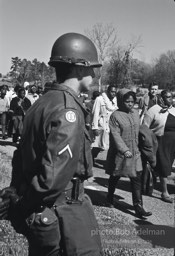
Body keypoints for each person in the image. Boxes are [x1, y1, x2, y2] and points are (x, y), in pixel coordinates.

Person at [0, 33, 102, 256]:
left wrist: (18, 192)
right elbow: (53, 177)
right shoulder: (68, 110)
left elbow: (21, 155)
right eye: (91, 68)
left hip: (45, 207)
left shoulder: (44, 102)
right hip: (64, 209)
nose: (94, 74)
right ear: (78, 68)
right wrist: (23, 203)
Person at [105, 88, 152, 218]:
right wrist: (124, 150)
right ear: (120, 101)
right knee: (115, 176)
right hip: (120, 153)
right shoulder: (115, 116)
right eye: (127, 101)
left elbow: (140, 130)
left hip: (135, 152)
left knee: (136, 178)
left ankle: (138, 207)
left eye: (132, 101)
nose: (130, 104)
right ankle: (109, 197)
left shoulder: (135, 113)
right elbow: (115, 135)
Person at [142, 89, 175, 203]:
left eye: (172, 97)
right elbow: (144, 127)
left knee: (168, 165)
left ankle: (154, 175)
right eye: (168, 97)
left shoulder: (174, 110)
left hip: (173, 143)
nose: (171, 99)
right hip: (160, 141)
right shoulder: (154, 110)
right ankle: (164, 192)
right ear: (161, 98)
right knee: (164, 165)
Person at [91, 85, 118, 163]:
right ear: (108, 91)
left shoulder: (115, 101)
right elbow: (95, 113)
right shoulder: (99, 99)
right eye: (112, 92)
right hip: (102, 125)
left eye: (115, 92)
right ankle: (91, 157)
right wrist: (95, 127)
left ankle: (110, 162)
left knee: (109, 145)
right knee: (99, 145)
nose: (114, 94)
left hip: (111, 125)